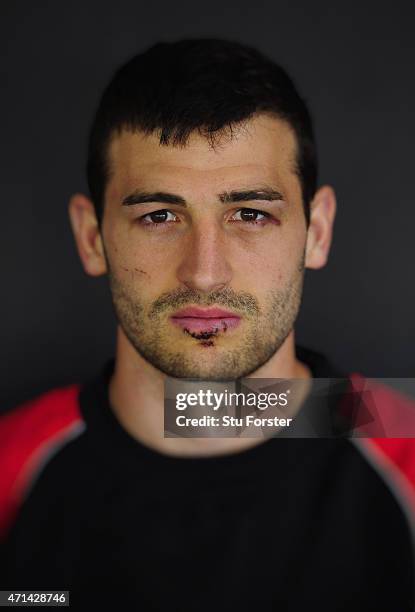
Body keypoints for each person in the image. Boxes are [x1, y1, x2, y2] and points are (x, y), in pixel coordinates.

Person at [1, 38, 414, 611]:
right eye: (159, 215)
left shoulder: (403, 451)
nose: (204, 274)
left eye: (250, 214)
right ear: (92, 237)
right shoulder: (11, 470)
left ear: (316, 231)